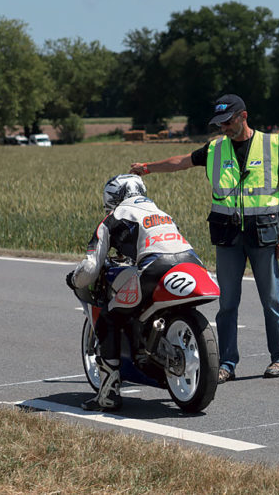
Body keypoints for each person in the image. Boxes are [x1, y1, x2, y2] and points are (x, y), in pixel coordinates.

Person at [129, 94, 279, 384]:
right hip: (229, 235)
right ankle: (227, 364)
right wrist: (148, 167)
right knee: (227, 303)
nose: (223, 128)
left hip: (262, 233)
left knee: (271, 300)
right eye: (219, 123)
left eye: (228, 122)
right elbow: (181, 161)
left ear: (243, 116)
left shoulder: (270, 145)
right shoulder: (215, 148)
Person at [66, 174, 204, 411]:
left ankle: (108, 393)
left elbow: (90, 267)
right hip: (191, 262)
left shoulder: (114, 217)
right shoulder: (162, 213)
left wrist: (73, 280)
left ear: (114, 197)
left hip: (154, 268)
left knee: (110, 315)